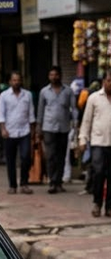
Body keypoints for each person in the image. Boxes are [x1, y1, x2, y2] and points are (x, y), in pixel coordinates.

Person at [38, 65, 76, 194]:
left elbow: (73, 108)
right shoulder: (44, 91)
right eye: (51, 75)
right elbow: (40, 110)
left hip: (64, 127)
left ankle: (59, 182)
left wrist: (75, 122)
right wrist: (39, 127)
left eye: (56, 75)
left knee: (61, 156)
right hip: (48, 127)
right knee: (51, 156)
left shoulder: (68, 91)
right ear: (49, 77)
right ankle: (52, 182)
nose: (54, 77)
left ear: (60, 76)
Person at [79, 71, 111, 217]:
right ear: (104, 81)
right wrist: (82, 139)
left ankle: (109, 206)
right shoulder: (94, 98)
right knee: (98, 172)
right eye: (109, 81)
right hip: (98, 141)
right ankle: (97, 203)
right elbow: (86, 120)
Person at [0, 72, 36, 194]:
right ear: (10, 82)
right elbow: (1, 113)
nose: (16, 82)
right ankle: (13, 185)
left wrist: (33, 130)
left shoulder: (27, 95)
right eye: (14, 80)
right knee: (11, 160)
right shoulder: (4, 96)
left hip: (25, 131)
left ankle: (24, 183)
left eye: (18, 80)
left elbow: (31, 113)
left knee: (25, 157)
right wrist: (3, 129)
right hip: (10, 131)